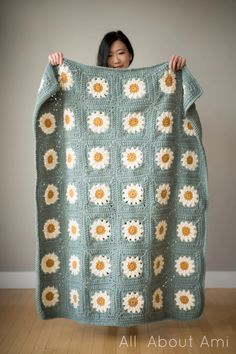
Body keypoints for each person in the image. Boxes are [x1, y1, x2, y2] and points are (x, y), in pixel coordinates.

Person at [48, 30, 186, 71]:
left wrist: (177, 68)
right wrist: (57, 66)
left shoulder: (147, 87)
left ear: (130, 55)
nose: (116, 60)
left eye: (121, 53)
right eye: (109, 55)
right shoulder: (91, 87)